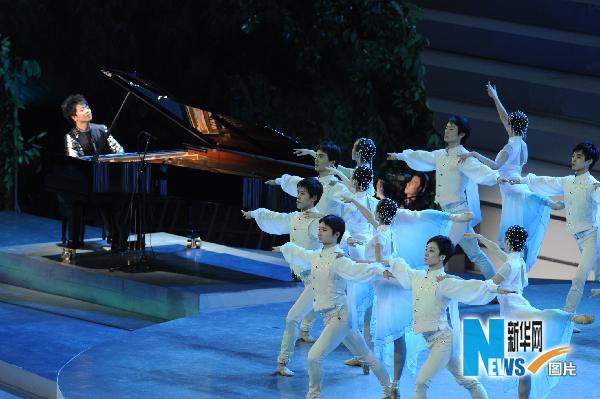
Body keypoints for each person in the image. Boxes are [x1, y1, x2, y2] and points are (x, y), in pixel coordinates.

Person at [344, 196, 473, 396]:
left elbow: (378, 264)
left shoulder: (380, 236)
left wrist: (351, 259)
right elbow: (374, 222)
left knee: (384, 335)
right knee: (396, 339)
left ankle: (388, 384)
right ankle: (393, 384)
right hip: (395, 287)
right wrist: (356, 201)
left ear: (379, 214)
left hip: (388, 288)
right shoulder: (390, 231)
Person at [465, 226, 594, 398]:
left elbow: (490, 284)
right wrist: (480, 237)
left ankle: (570, 317)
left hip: (514, 313)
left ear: (509, 242)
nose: (502, 242)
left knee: (522, 366)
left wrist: (463, 286)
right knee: (525, 362)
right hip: (519, 307)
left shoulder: (508, 265)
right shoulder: (518, 261)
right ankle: (569, 317)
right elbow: (496, 250)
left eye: (504, 239)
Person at [275, 215, 394, 399]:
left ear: (336, 234)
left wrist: (379, 269)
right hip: (334, 318)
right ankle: (390, 391)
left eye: (324, 230)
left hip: (340, 317)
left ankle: (313, 395)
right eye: (319, 228)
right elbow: (301, 253)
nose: (319, 233)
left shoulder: (339, 259)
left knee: (314, 357)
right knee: (367, 356)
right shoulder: (317, 255)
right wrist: (285, 247)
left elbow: (358, 270)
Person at [383, 235, 511, 399]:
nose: (426, 253)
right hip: (433, 341)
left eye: (432, 250)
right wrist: (389, 261)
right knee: (468, 381)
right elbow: (402, 269)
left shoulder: (445, 281)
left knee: (421, 382)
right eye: (426, 249)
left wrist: (493, 288)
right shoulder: (418, 275)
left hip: (442, 341)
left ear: (442, 257)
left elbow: (469, 286)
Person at [387, 115, 501, 279]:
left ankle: (430, 286)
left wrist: (496, 178)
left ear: (461, 134)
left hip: (459, 214)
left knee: (439, 250)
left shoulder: (463, 157)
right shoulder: (441, 154)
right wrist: (401, 156)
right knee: (474, 254)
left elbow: (480, 171)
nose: (447, 131)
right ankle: (496, 287)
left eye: (452, 129)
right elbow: (422, 156)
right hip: (447, 214)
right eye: (447, 128)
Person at [459, 82, 557, 270]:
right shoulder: (522, 144)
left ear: (510, 126)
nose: (505, 123)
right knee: (522, 235)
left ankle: (516, 270)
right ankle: (543, 201)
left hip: (511, 190)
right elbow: (506, 119)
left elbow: (496, 166)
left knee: (514, 234)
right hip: (517, 186)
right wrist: (495, 98)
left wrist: (473, 154)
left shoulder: (509, 147)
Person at [242, 177, 323, 376]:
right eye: (298, 193)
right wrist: (255, 213)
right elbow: (276, 218)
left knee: (292, 318)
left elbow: (336, 232)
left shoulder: (318, 223)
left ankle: (282, 362)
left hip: (320, 279)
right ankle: (365, 358)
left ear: (313, 198)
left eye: (302, 194)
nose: (298, 197)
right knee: (339, 325)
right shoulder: (296, 217)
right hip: (306, 278)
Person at [509, 141, 600, 315]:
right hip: (579, 237)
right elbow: (547, 181)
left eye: (579, 157)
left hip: (593, 237)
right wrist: (522, 179)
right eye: (573, 156)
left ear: (589, 161)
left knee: (579, 278)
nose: (573, 159)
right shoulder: (568, 181)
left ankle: (568, 315)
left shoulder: (593, 185)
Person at [267, 141, 349, 217]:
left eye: (320, 156)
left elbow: (353, 207)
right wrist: (277, 181)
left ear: (332, 162)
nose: (316, 160)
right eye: (316, 156)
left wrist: (320, 216)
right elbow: (293, 181)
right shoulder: (313, 181)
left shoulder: (337, 186)